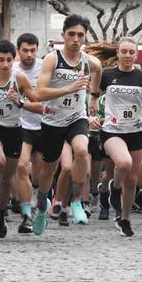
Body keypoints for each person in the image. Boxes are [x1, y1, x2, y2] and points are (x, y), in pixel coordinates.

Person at [32, 14, 102, 235]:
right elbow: (39, 93)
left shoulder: (91, 62)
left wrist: (93, 97)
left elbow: (98, 72)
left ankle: (77, 201)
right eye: (71, 34)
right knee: (49, 170)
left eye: (80, 35)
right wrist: (69, 89)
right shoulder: (53, 59)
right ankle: (43, 206)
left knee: (81, 151)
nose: (76, 39)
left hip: (76, 117)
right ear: (63, 35)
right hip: (52, 120)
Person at [94, 37, 142, 236]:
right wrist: (93, 116)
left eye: (132, 52)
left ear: (136, 54)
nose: (128, 55)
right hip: (112, 130)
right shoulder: (107, 75)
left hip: (136, 131)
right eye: (124, 51)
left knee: (132, 181)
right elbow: (93, 97)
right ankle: (114, 188)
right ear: (117, 53)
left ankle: (124, 219)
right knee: (123, 163)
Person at [0, 40, 35, 237]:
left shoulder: (19, 78)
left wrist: (19, 101)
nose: (5, 64)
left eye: (9, 60)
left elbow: (37, 101)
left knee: (7, 178)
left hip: (14, 130)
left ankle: (2, 215)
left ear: (15, 60)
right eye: (1, 60)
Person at [12, 33, 45, 234]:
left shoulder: (45, 68)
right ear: (18, 50)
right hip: (22, 125)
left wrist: (22, 102)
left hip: (44, 126)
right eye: (25, 50)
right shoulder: (12, 70)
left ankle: (37, 199)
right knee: (21, 166)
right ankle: (26, 214)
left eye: (33, 50)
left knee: (40, 174)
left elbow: (44, 105)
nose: (29, 54)